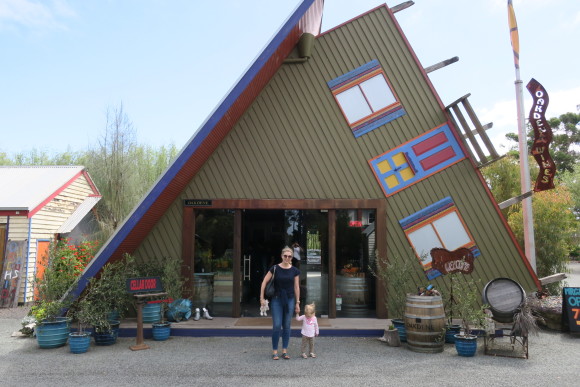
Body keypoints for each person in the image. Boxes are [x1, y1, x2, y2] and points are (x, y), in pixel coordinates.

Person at [260, 246, 300, 360]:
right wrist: (261, 298)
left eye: (289, 256)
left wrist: (298, 302)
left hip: (290, 299)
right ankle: (274, 351)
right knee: (277, 325)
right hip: (277, 299)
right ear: (281, 256)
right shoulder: (275, 268)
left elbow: (296, 287)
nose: (287, 258)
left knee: (287, 325)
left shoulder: (295, 270)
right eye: (285, 256)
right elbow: (264, 282)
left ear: (292, 257)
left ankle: (285, 350)